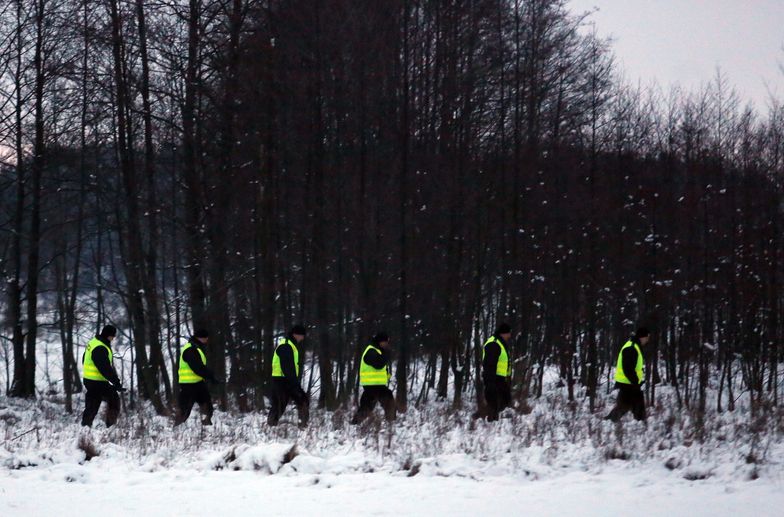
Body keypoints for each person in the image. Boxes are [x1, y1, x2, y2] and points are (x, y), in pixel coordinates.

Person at [175, 328, 220, 426]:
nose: (207, 340)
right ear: (202, 338)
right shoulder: (190, 350)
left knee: (208, 406)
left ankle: (207, 426)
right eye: (206, 338)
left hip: (198, 382)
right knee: (185, 410)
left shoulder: (196, 348)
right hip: (188, 384)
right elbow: (197, 368)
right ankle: (176, 429)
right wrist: (211, 376)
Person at [81, 325, 125, 427]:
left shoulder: (94, 342)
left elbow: (84, 358)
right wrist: (116, 383)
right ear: (108, 335)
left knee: (92, 405)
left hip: (89, 380)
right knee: (114, 399)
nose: (113, 338)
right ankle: (111, 426)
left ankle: (85, 427)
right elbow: (105, 368)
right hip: (97, 381)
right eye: (112, 336)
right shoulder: (101, 347)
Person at [267, 325, 309, 428]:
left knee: (302, 400)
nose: (302, 338)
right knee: (279, 405)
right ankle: (270, 427)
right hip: (281, 380)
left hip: (287, 380)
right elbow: (287, 367)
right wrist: (294, 383)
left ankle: (303, 426)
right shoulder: (286, 346)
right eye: (302, 336)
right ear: (296, 335)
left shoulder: (290, 345)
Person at [605, 327, 649, 422]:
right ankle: (641, 424)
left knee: (625, 405)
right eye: (647, 338)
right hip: (628, 382)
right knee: (633, 404)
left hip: (628, 382)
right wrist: (635, 382)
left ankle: (610, 421)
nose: (647, 340)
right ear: (642, 337)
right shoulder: (631, 347)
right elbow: (628, 368)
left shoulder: (634, 346)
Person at [351, 332, 395, 424]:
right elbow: (378, 365)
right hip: (372, 384)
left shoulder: (378, 351)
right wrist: (386, 354)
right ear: (380, 341)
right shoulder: (371, 351)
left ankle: (355, 424)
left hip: (375, 384)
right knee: (388, 400)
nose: (387, 344)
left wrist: (387, 377)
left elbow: (381, 369)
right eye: (386, 342)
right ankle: (392, 422)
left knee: (367, 406)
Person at [481, 322, 513, 421]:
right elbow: (489, 363)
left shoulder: (499, 343)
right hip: (493, 378)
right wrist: (490, 381)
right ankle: (490, 421)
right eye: (508, 333)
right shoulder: (494, 344)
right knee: (495, 401)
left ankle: (494, 420)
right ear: (503, 333)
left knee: (504, 400)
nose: (510, 336)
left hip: (499, 378)